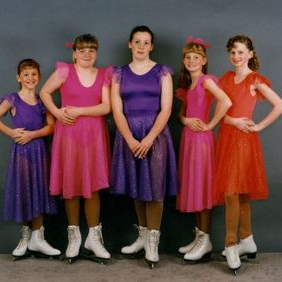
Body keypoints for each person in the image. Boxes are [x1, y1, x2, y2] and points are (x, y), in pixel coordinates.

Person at [213, 35, 282, 274]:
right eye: (233, 52)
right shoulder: (224, 79)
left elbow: (280, 105)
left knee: (233, 192)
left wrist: (259, 126)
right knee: (237, 192)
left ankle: (231, 243)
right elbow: (218, 114)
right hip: (226, 138)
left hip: (244, 141)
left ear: (251, 54)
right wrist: (232, 120)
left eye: (241, 52)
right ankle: (247, 239)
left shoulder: (254, 80)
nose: (236, 56)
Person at [39, 34, 111, 264]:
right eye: (82, 50)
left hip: (94, 135)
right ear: (74, 53)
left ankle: (94, 237)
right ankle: (73, 237)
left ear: (96, 53)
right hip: (69, 135)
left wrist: (79, 111)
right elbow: (44, 92)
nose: (87, 54)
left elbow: (106, 106)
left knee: (93, 186)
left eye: (91, 50)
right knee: (70, 184)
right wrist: (58, 112)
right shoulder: (64, 71)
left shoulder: (103, 74)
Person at [110, 25, 178, 269]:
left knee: (155, 189)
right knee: (137, 186)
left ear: (152, 46)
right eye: (136, 41)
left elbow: (167, 108)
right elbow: (116, 109)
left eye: (145, 42)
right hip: (128, 134)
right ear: (130, 44)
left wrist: (149, 138)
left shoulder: (162, 72)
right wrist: (129, 138)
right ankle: (141, 235)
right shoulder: (118, 73)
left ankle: (153, 241)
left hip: (155, 135)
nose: (141, 46)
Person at [0, 58, 61, 260]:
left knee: (38, 190)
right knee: (25, 191)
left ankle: (39, 237)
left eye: (34, 74)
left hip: (38, 151)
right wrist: (12, 133)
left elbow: (51, 127)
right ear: (18, 77)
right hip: (21, 154)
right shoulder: (12, 99)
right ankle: (25, 237)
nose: (30, 78)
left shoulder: (41, 101)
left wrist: (31, 135)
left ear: (39, 77)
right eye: (26, 74)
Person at [175, 37, 232, 262]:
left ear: (204, 60)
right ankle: (199, 236)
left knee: (202, 187)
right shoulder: (188, 84)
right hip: (189, 138)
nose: (191, 61)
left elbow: (225, 102)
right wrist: (186, 121)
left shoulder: (207, 81)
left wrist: (210, 124)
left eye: (196, 58)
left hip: (201, 140)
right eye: (188, 58)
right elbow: (182, 114)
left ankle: (206, 239)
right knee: (193, 186)